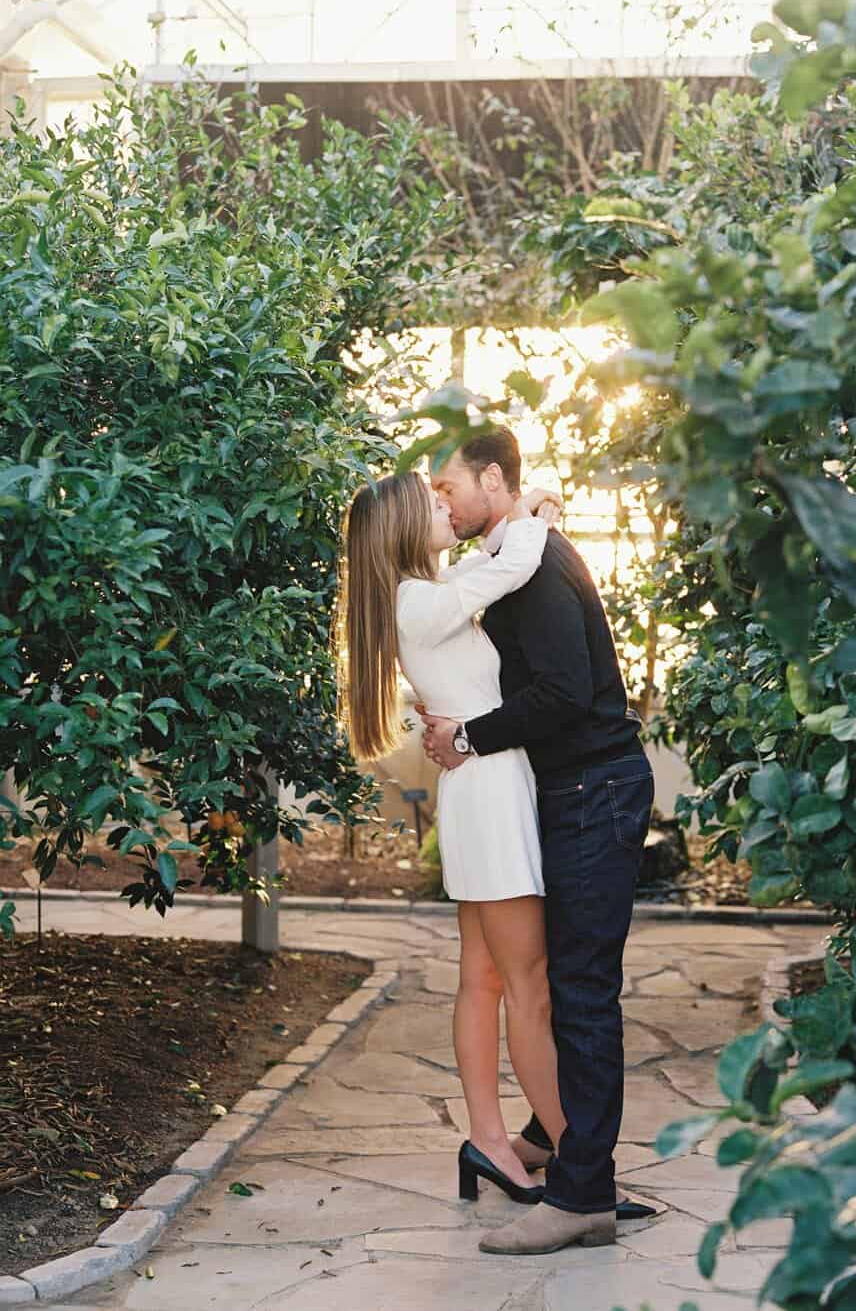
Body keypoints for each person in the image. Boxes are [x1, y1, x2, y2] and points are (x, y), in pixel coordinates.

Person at [421, 426, 655, 1256]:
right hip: (567, 789)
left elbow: (559, 692)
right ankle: (553, 1141)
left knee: (582, 991)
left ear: (493, 478)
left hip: (594, 786)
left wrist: (470, 736)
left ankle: (583, 1194)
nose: (441, 500)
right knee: (552, 977)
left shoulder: (539, 564)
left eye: (449, 486)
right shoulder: (513, 555)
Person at [343, 469, 568, 1208]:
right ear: (403, 526)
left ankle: (489, 1141)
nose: (445, 506)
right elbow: (511, 563)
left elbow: (484, 569)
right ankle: (576, 1153)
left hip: (483, 792)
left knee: (486, 979)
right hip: (491, 798)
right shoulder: (419, 603)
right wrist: (530, 509)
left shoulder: (424, 596)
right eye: (430, 502)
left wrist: (525, 513)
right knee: (526, 985)